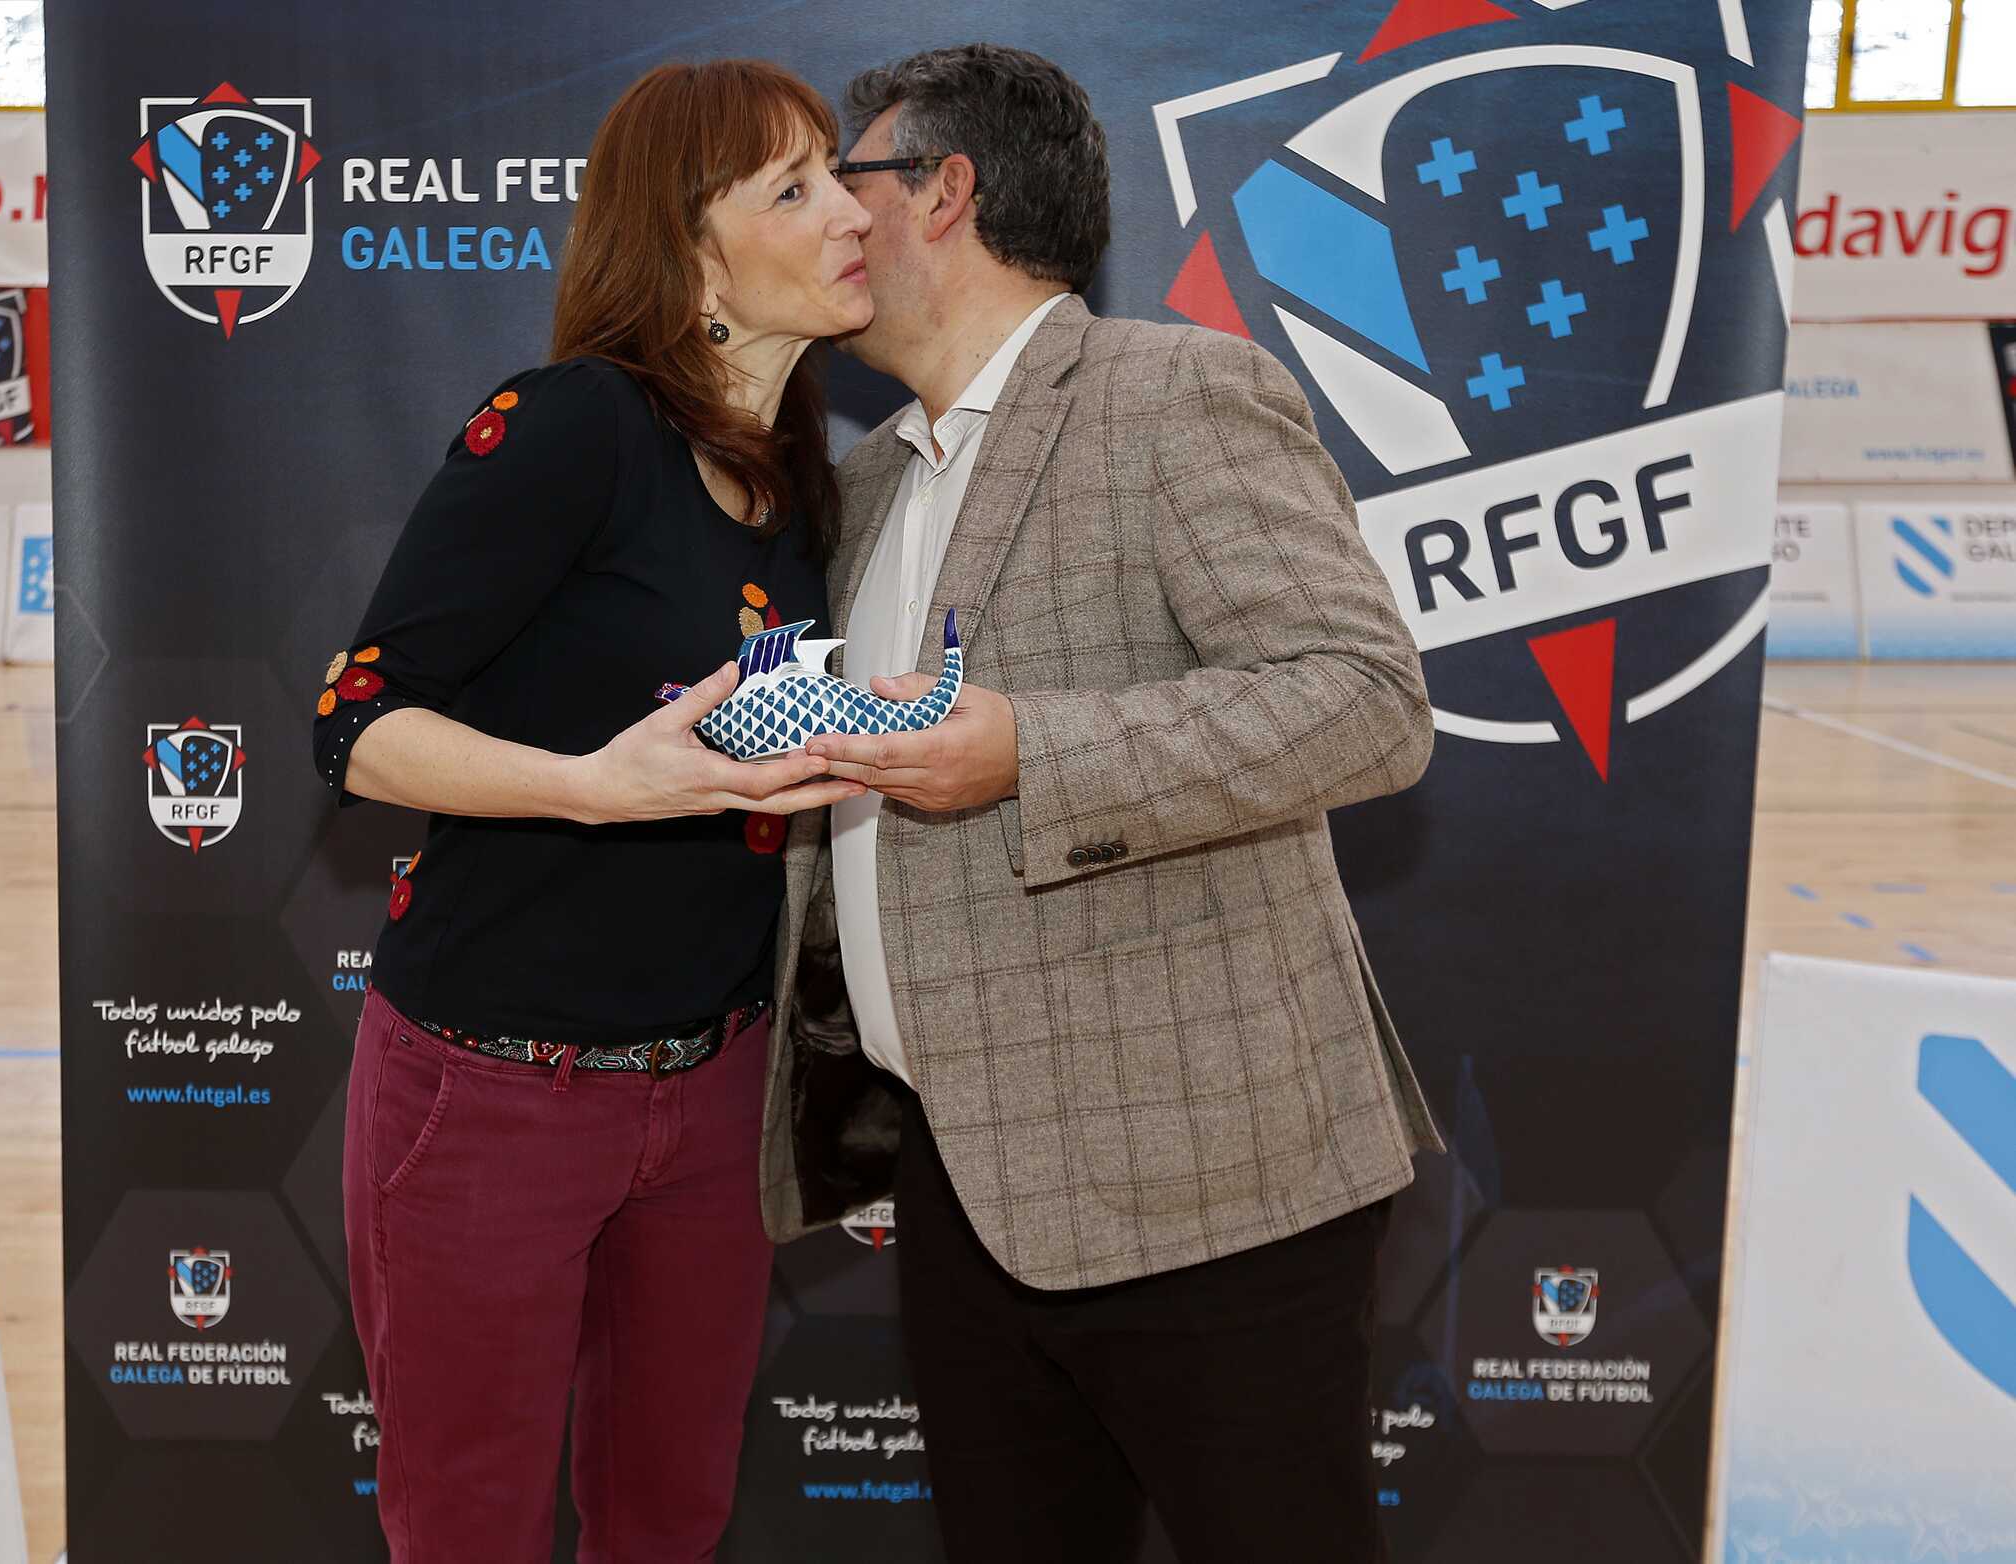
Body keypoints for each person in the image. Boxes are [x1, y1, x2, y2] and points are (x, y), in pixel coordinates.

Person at [760, 44, 1447, 1563]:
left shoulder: (1173, 395)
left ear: (944, 191)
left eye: (847, 182)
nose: (833, 223)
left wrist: (1034, 754)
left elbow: (1363, 702)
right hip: (961, 1181)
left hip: (1213, 1188)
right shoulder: (867, 487)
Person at [311, 59, 873, 1563]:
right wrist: (591, 789)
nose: (851, 213)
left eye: (836, 174)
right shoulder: (576, 425)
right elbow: (354, 725)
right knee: (470, 1528)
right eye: (795, 188)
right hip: (495, 1093)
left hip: (717, 1094)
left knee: (669, 1519)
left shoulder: (804, 484)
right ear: (693, 253)